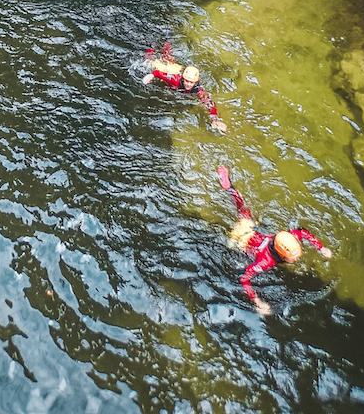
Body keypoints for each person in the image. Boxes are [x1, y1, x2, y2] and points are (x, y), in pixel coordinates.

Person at [217, 165, 332, 315]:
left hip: (250, 229)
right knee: (224, 237)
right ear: (283, 256)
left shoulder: (286, 237)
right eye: (293, 257)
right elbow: (244, 278)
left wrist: (321, 248)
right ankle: (229, 190)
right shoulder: (266, 262)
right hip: (240, 240)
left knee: (243, 211)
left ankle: (229, 188)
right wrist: (257, 301)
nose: (297, 258)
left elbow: (303, 233)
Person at [142, 42, 227, 132]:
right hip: (170, 70)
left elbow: (209, 103)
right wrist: (151, 75)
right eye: (186, 81)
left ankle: (166, 42)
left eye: (191, 82)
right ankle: (155, 45)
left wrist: (215, 120)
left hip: (175, 73)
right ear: (183, 79)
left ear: (196, 82)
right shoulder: (175, 79)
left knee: (168, 57)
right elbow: (159, 73)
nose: (188, 84)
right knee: (150, 60)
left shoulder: (198, 90)